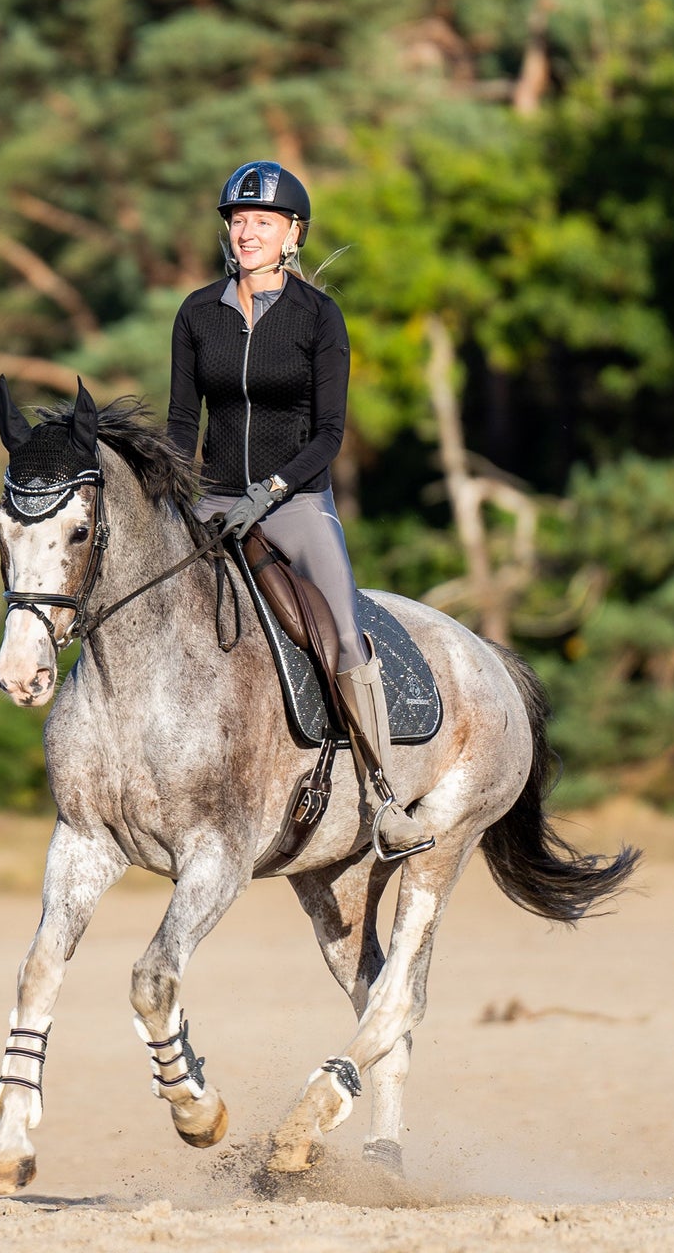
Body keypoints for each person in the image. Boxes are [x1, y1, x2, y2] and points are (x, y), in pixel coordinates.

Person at [166, 160, 431, 858]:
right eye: (237, 220)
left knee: (343, 637)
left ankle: (384, 797)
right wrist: (179, 496)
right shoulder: (197, 313)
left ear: (293, 235)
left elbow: (329, 436)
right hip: (213, 502)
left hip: (294, 502)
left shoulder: (319, 317)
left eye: (261, 222)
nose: (245, 232)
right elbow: (176, 425)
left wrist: (271, 492)